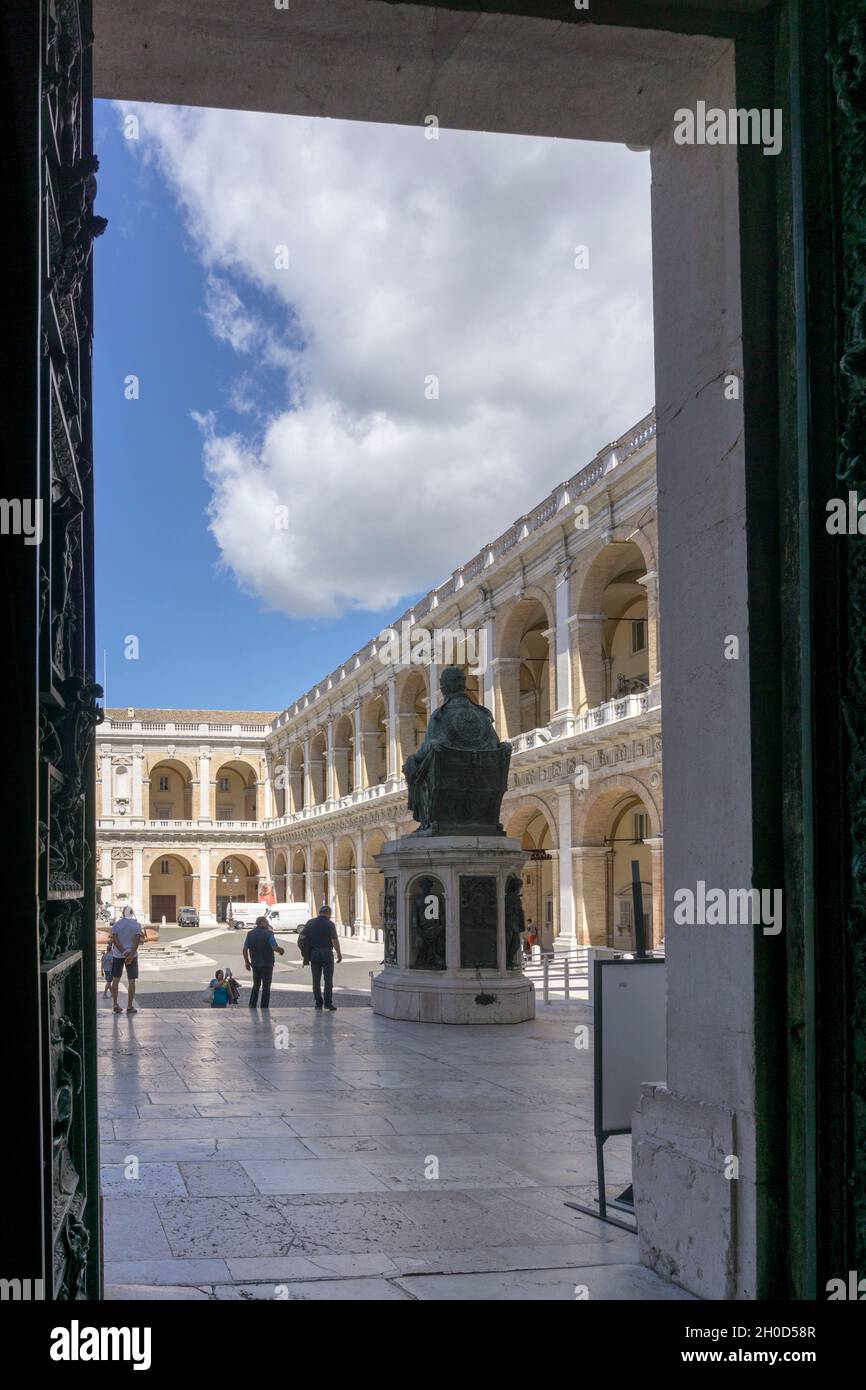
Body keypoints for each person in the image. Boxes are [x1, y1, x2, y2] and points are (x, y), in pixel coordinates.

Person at [298, 904, 342, 1011]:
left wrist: (304, 951)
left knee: (316, 980)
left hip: (314, 954)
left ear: (319, 912)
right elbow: (334, 941)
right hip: (327, 953)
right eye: (330, 914)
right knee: (328, 980)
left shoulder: (310, 923)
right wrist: (339, 954)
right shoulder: (330, 924)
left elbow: (301, 938)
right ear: (328, 913)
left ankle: (318, 1003)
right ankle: (328, 1003)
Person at [242, 915, 285, 1009]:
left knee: (256, 985)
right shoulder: (269, 934)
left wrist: (247, 962)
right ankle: (264, 1007)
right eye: (266, 922)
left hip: (255, 964)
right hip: (267, 964)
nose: (268, 924)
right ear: (261, 923)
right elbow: (274, 947)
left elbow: (245, 949)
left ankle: (252, 1005)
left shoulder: (250, 934)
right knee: (266, 987)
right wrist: (281, 950)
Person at [109, 905, 142, 1015]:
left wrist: (123, 952)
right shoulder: (137, 925)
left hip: (118, 954)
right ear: (131, 913)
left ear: (122, 913)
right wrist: (131, 954)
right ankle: (129, 1006)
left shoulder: (116, 925)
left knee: (115, 979)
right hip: (132, 955)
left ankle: (115, 1004)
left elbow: (115, 941)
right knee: (131, 980)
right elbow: (136, 941)